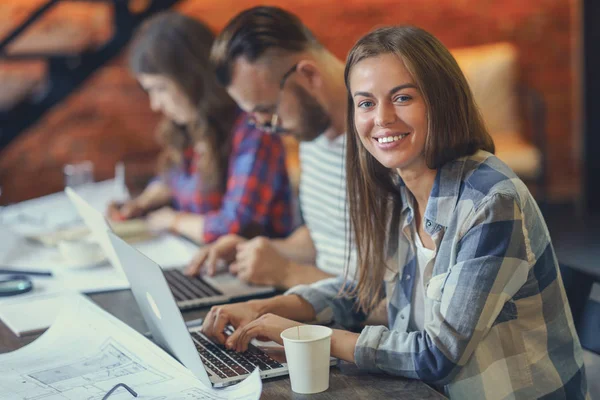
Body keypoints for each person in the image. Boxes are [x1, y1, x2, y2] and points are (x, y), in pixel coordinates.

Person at [199, 26, 588, 399]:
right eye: (366, 103)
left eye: (402, 98)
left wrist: (310, 338)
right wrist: (264, 308)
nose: (381, 119)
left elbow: (438, 355)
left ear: (441, 100)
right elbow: (362, 291)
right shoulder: (395, 185)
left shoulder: (491, 201)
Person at [186, 6, 355, 289]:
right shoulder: (311, 126)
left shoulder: (384, 139)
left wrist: (288, 274)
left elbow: (403, 304)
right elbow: (328, 240)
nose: (265, 126)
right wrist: (258, 250)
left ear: (309, 76)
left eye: (267, 110)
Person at [106, 11, 294, 244]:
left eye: (161, 88)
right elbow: (172, 179)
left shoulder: (253, 128)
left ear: (193, 77)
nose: (155, 104)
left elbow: (234, 225)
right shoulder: (188, 125)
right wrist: (144, 201)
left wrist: (171, 220)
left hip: (254, 271)